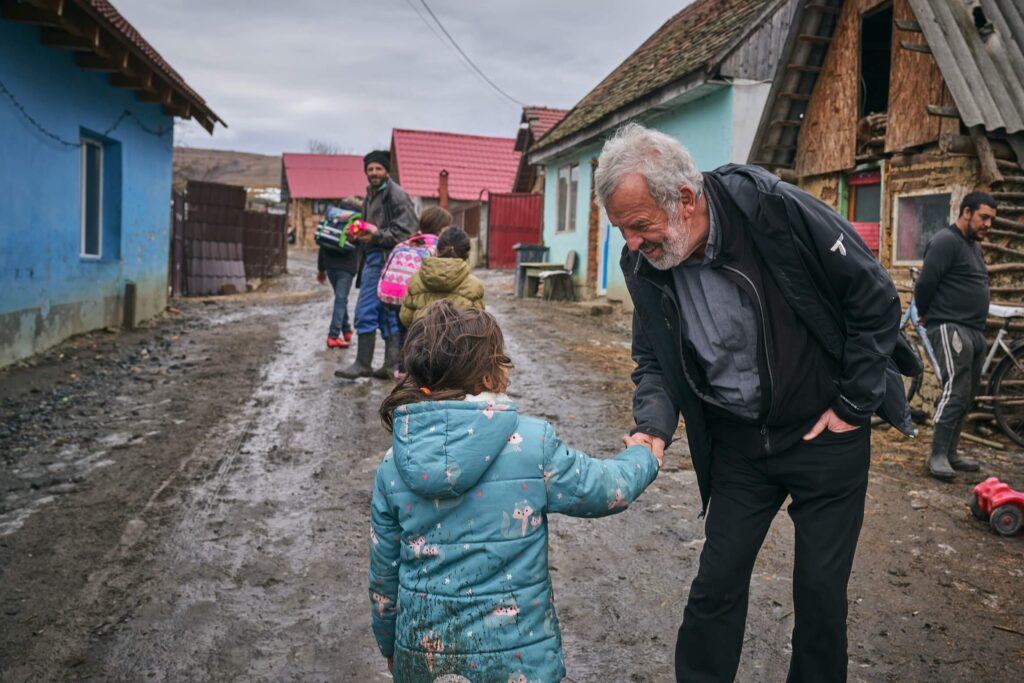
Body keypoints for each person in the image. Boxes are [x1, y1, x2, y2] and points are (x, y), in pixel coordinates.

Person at [595, 123, 913, 682]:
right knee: (716, 583)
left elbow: (876, 298)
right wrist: (652, 426)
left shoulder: (773, 211)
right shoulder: (646, 262)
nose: (633, 244)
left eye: (639, 226)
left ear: (686, 201)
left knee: (819, 596)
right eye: (622, 230)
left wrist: (852, 405)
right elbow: (654, 360)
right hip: (740, 443)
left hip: (825, 438)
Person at [368, 301, 661, 681]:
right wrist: (643, 454)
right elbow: (607, 488)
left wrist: (390, 645)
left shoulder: (393, 465)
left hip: (425, 660)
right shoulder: (530, 444)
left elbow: (383, 578)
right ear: (491, 375)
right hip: (518, 665)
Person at [914, 192, 996, 480]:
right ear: (966, 212)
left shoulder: (972, 246)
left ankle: (951, 452)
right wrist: (925, 314)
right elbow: (925, 282)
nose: (987, 224)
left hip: (973, 329)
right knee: (956, 389)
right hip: (950, 326)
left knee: (968, 392)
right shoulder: (946, 241)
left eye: (991, 219)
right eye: (983, 217)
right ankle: (936, 454)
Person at [336, 150, 417, 380]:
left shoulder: (396, 194)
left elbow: (407, 230)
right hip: (374, 258)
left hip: (386, 261)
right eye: (370, 169)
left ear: (387, 171)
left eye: (378, 169)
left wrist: (376, 236)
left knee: (366, 309)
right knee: (386, 312)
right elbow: (368, 227)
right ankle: (390, 366)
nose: (373, 173)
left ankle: (363, 363)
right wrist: (357, 236)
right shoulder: (372, 194)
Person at [398, 226, 485, 329]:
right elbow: (479, 323)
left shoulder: (416, 279)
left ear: (437, 249)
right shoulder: (475, 285)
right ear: (466, 254)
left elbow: (405, 318)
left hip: (422, 341)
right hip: (460, 343)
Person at [317, 203, 360, 348]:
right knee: (341, 300)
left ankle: (346, 330)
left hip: (330, 265)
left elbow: (323, 245)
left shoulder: (332, 219)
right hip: (346, 268)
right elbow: (361, 247)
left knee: (340, 299)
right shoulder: (355, 222)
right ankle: (333, 336)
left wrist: (321, 269)